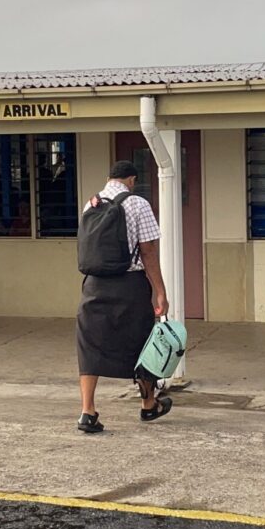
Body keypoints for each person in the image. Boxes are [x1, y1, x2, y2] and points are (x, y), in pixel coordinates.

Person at [75, 160, 171, 433]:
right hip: (130, 285)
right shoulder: (138, 203)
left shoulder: (91, 203)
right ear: (132, 180)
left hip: (93, 285)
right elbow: (149, 251)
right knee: (142, 345)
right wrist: (160, 292)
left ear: (109, 179)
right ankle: (149, 405)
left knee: (89, 345)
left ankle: (87, 412)